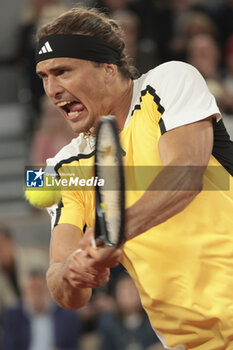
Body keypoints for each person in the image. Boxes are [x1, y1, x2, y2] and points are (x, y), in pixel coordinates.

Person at [35, 7, 233, 350]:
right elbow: (64, 284)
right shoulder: (61, 168)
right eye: (44, 77)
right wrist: (72, 273)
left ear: (109, 70)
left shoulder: (169, 81)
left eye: (62, 72)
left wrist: (112, 235)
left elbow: (185, 175)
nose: (52, 89)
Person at [2, 270, 81, 350]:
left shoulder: (67, 315)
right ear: (23, 294)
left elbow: (75, 346)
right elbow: (8, 346)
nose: (35, 295)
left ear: (49, 291)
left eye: (39, 289)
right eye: (31, 290)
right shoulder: (13, 316)